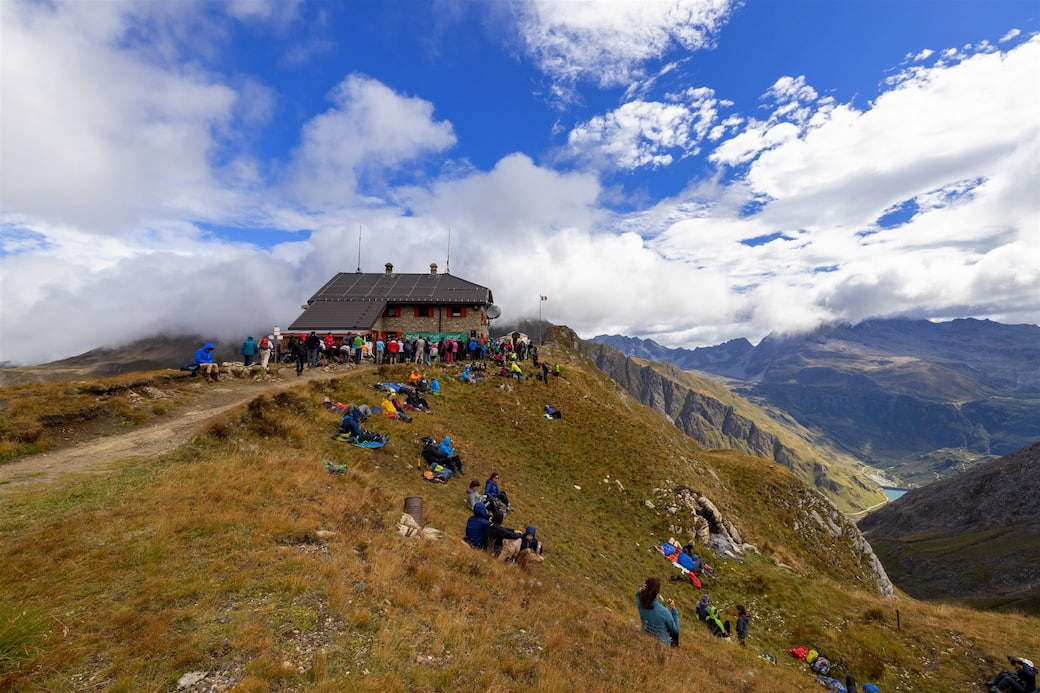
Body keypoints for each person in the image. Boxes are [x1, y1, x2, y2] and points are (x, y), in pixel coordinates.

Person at [635, 578, 679, 647]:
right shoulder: (664, 611)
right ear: (657, 594)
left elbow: (637, 596)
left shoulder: (640, 603)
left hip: (645, 635)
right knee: (673, 634)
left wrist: (640, 590)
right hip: (662, 644)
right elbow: (675, 630)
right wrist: (674, 609)